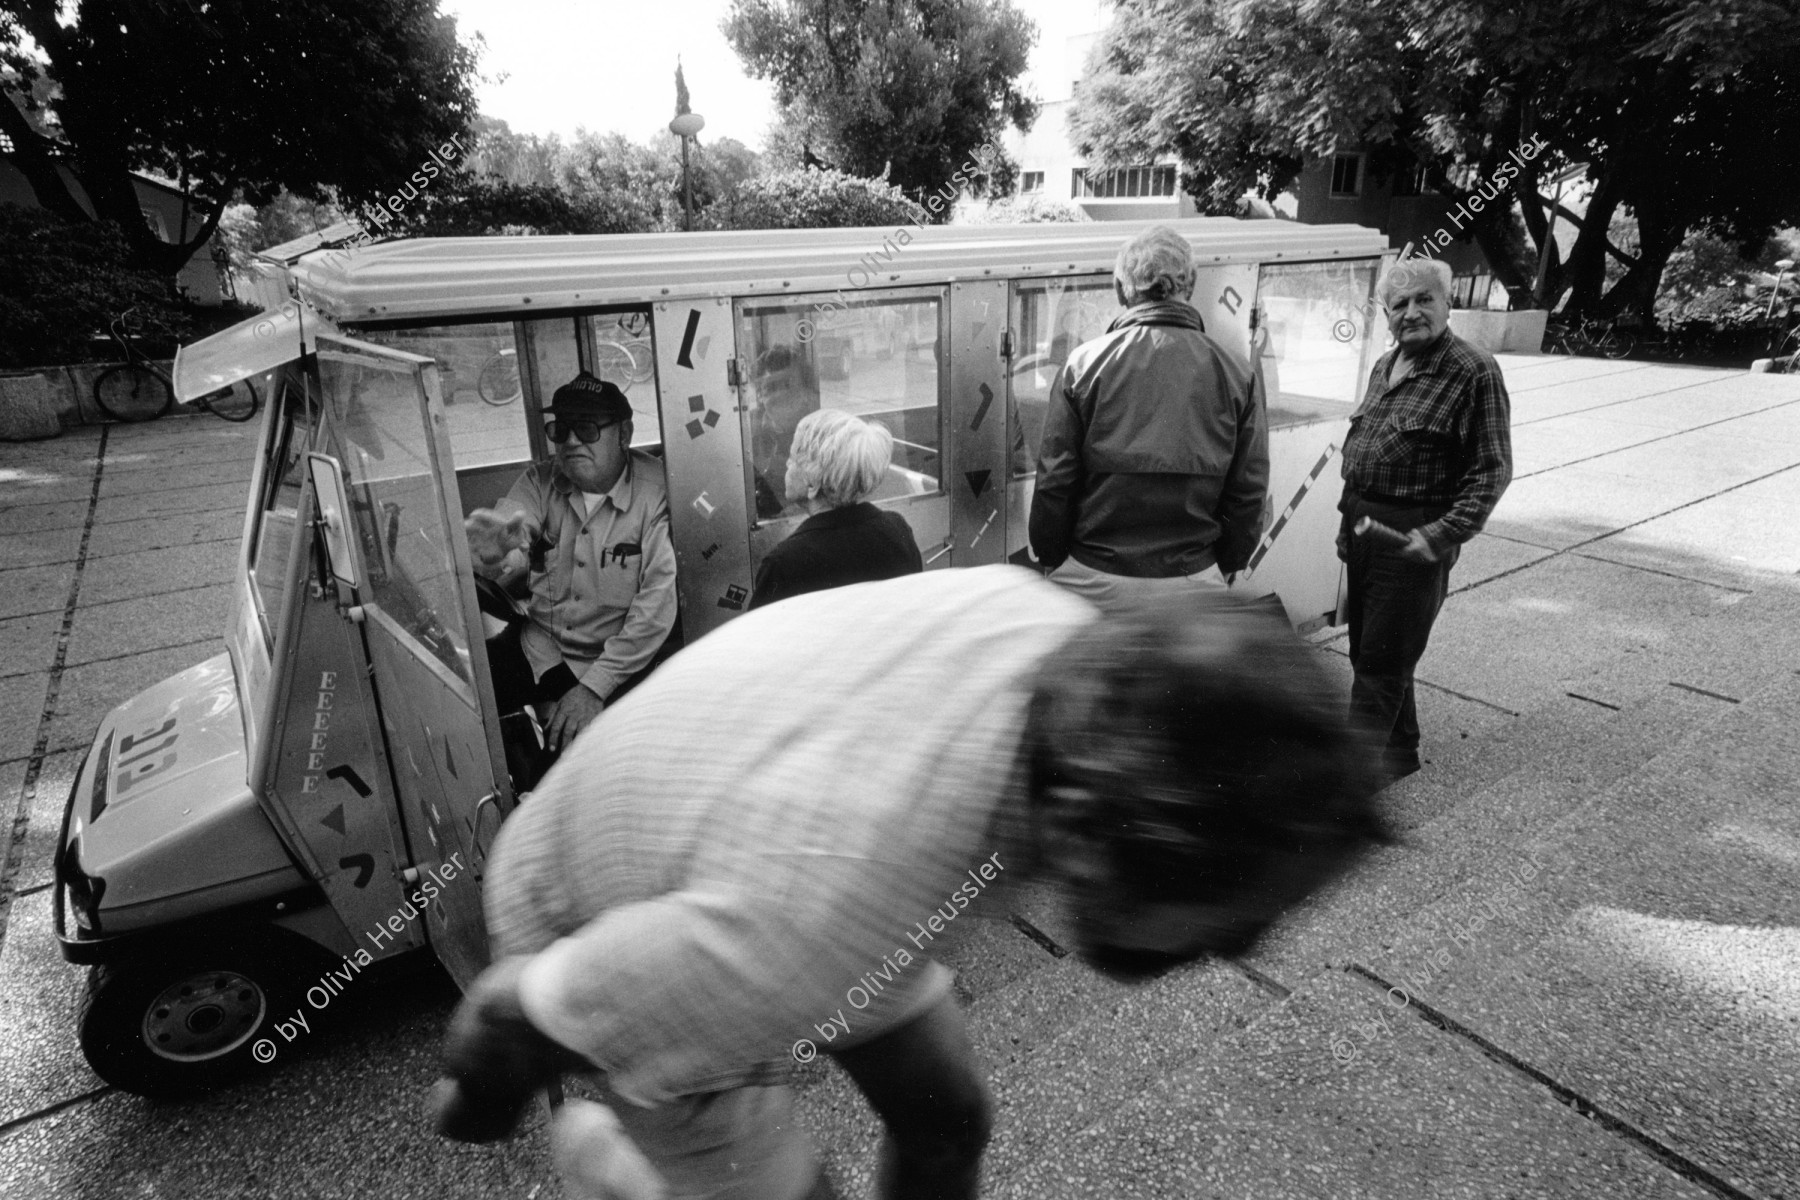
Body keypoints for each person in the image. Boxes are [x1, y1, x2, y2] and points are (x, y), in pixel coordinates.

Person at [430, 567, 1387, 1200]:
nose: (1242, 951)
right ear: (1094, 843)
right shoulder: (809, 926)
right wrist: (476, 1107)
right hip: (598, 904)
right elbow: (506, 1014)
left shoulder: (1061, 636)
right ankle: (601, 1150)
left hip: (764, 833)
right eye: (1233, 919)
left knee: (947, 1119)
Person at [1028, 224, 1269, 610]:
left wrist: (1053, 559)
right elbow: (1249, 491)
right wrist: (1225, 565)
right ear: (1189, 284)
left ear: (1120, 289)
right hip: (1194, 576)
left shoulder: (1082, 365)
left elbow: (1055, 482)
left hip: (1093, 576)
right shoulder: (1238, 373)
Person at [1337, 256, 1513, 778]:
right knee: (1370, 652)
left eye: (1423, 300)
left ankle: (1347, 786)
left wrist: (1442, 535)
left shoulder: (1473, 370)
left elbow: (1492, 470)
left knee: (1380, 665)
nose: (1410, 312)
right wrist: (1346, 528)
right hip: (1365, 527)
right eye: (1399, 304)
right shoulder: (1384, 364)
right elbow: (1361, 450)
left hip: (1416, 533)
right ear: (1386, 314)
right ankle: (1398, 753)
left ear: (1447, 303)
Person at [465, 372, 678, 760]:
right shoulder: (540, 480)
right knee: (469, 694)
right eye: (560, 429)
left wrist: (595, 687)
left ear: (625, 434)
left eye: (587, 428)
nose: (571, 441)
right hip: (542, 648)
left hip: (617, 663)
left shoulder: (659, 493)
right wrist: (496, 554)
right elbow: (513, 532)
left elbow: (655, 609)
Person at [748, 408, 922, 609]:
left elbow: (757, 636)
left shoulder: (784, 563)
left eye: (793, 458)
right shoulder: (897, 530)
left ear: (812, 484)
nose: (786, 463)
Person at [748, 344, 823, 519]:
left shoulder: (820, 435)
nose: (778, 395)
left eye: (787, 385)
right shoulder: (747, 432)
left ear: (806, 391)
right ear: (760, 396)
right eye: (770, 388)